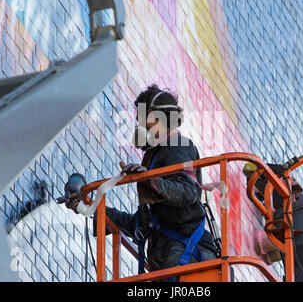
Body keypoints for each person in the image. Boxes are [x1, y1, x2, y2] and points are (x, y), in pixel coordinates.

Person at [64, 84, 217, 277]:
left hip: (188, 260)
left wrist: (149, 179)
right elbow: (141, 225)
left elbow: (188, 192)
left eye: (141, 120)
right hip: (173, 263)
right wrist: (93, 209)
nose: (139, 126)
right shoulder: (155, 157)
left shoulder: (178, 145)